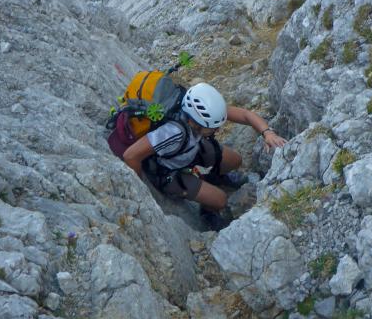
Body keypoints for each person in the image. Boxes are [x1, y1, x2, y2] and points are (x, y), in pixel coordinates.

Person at [122, 82, 286, 218]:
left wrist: (267, 133)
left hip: (187, 150)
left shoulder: (196, 113)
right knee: (221, 200)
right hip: (167, 171)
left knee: (235, 160)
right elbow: (130, 155)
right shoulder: (171, 132)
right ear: (195, 122)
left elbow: (244, 115)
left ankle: (214, 179)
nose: (217, 131)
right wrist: (141, 188)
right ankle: (208, 213)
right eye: (213, 128)